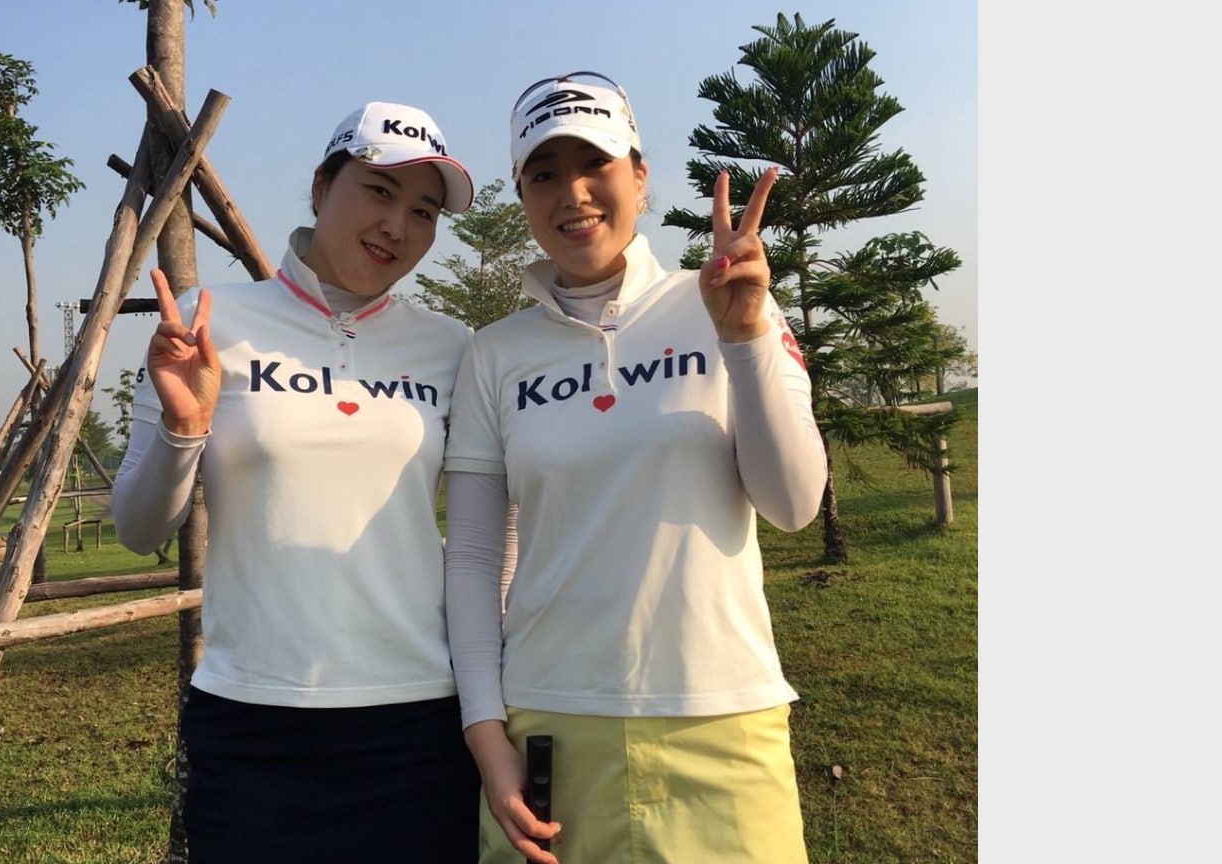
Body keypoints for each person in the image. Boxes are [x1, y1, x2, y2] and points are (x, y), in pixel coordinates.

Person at [442, 71, 829, 863]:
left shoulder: (726, 299)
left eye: (597, 163)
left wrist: (745, 338)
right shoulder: (494, 353)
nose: (573, 193)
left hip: (722, 719)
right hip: (549, 726)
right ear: (522, 195)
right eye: (544, 174)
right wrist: (486, 736)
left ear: (641, 177)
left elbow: (793, 504)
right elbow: (476, 558)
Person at [111, 100, 481, 863]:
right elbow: (138, 529)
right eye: (378, 191)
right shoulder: (205, 323)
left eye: (424, 211)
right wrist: (185, 427)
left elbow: (486, 538)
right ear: (320, 187)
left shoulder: (453, 349)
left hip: (417, 722)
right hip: (253, 724)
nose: (397, 226)